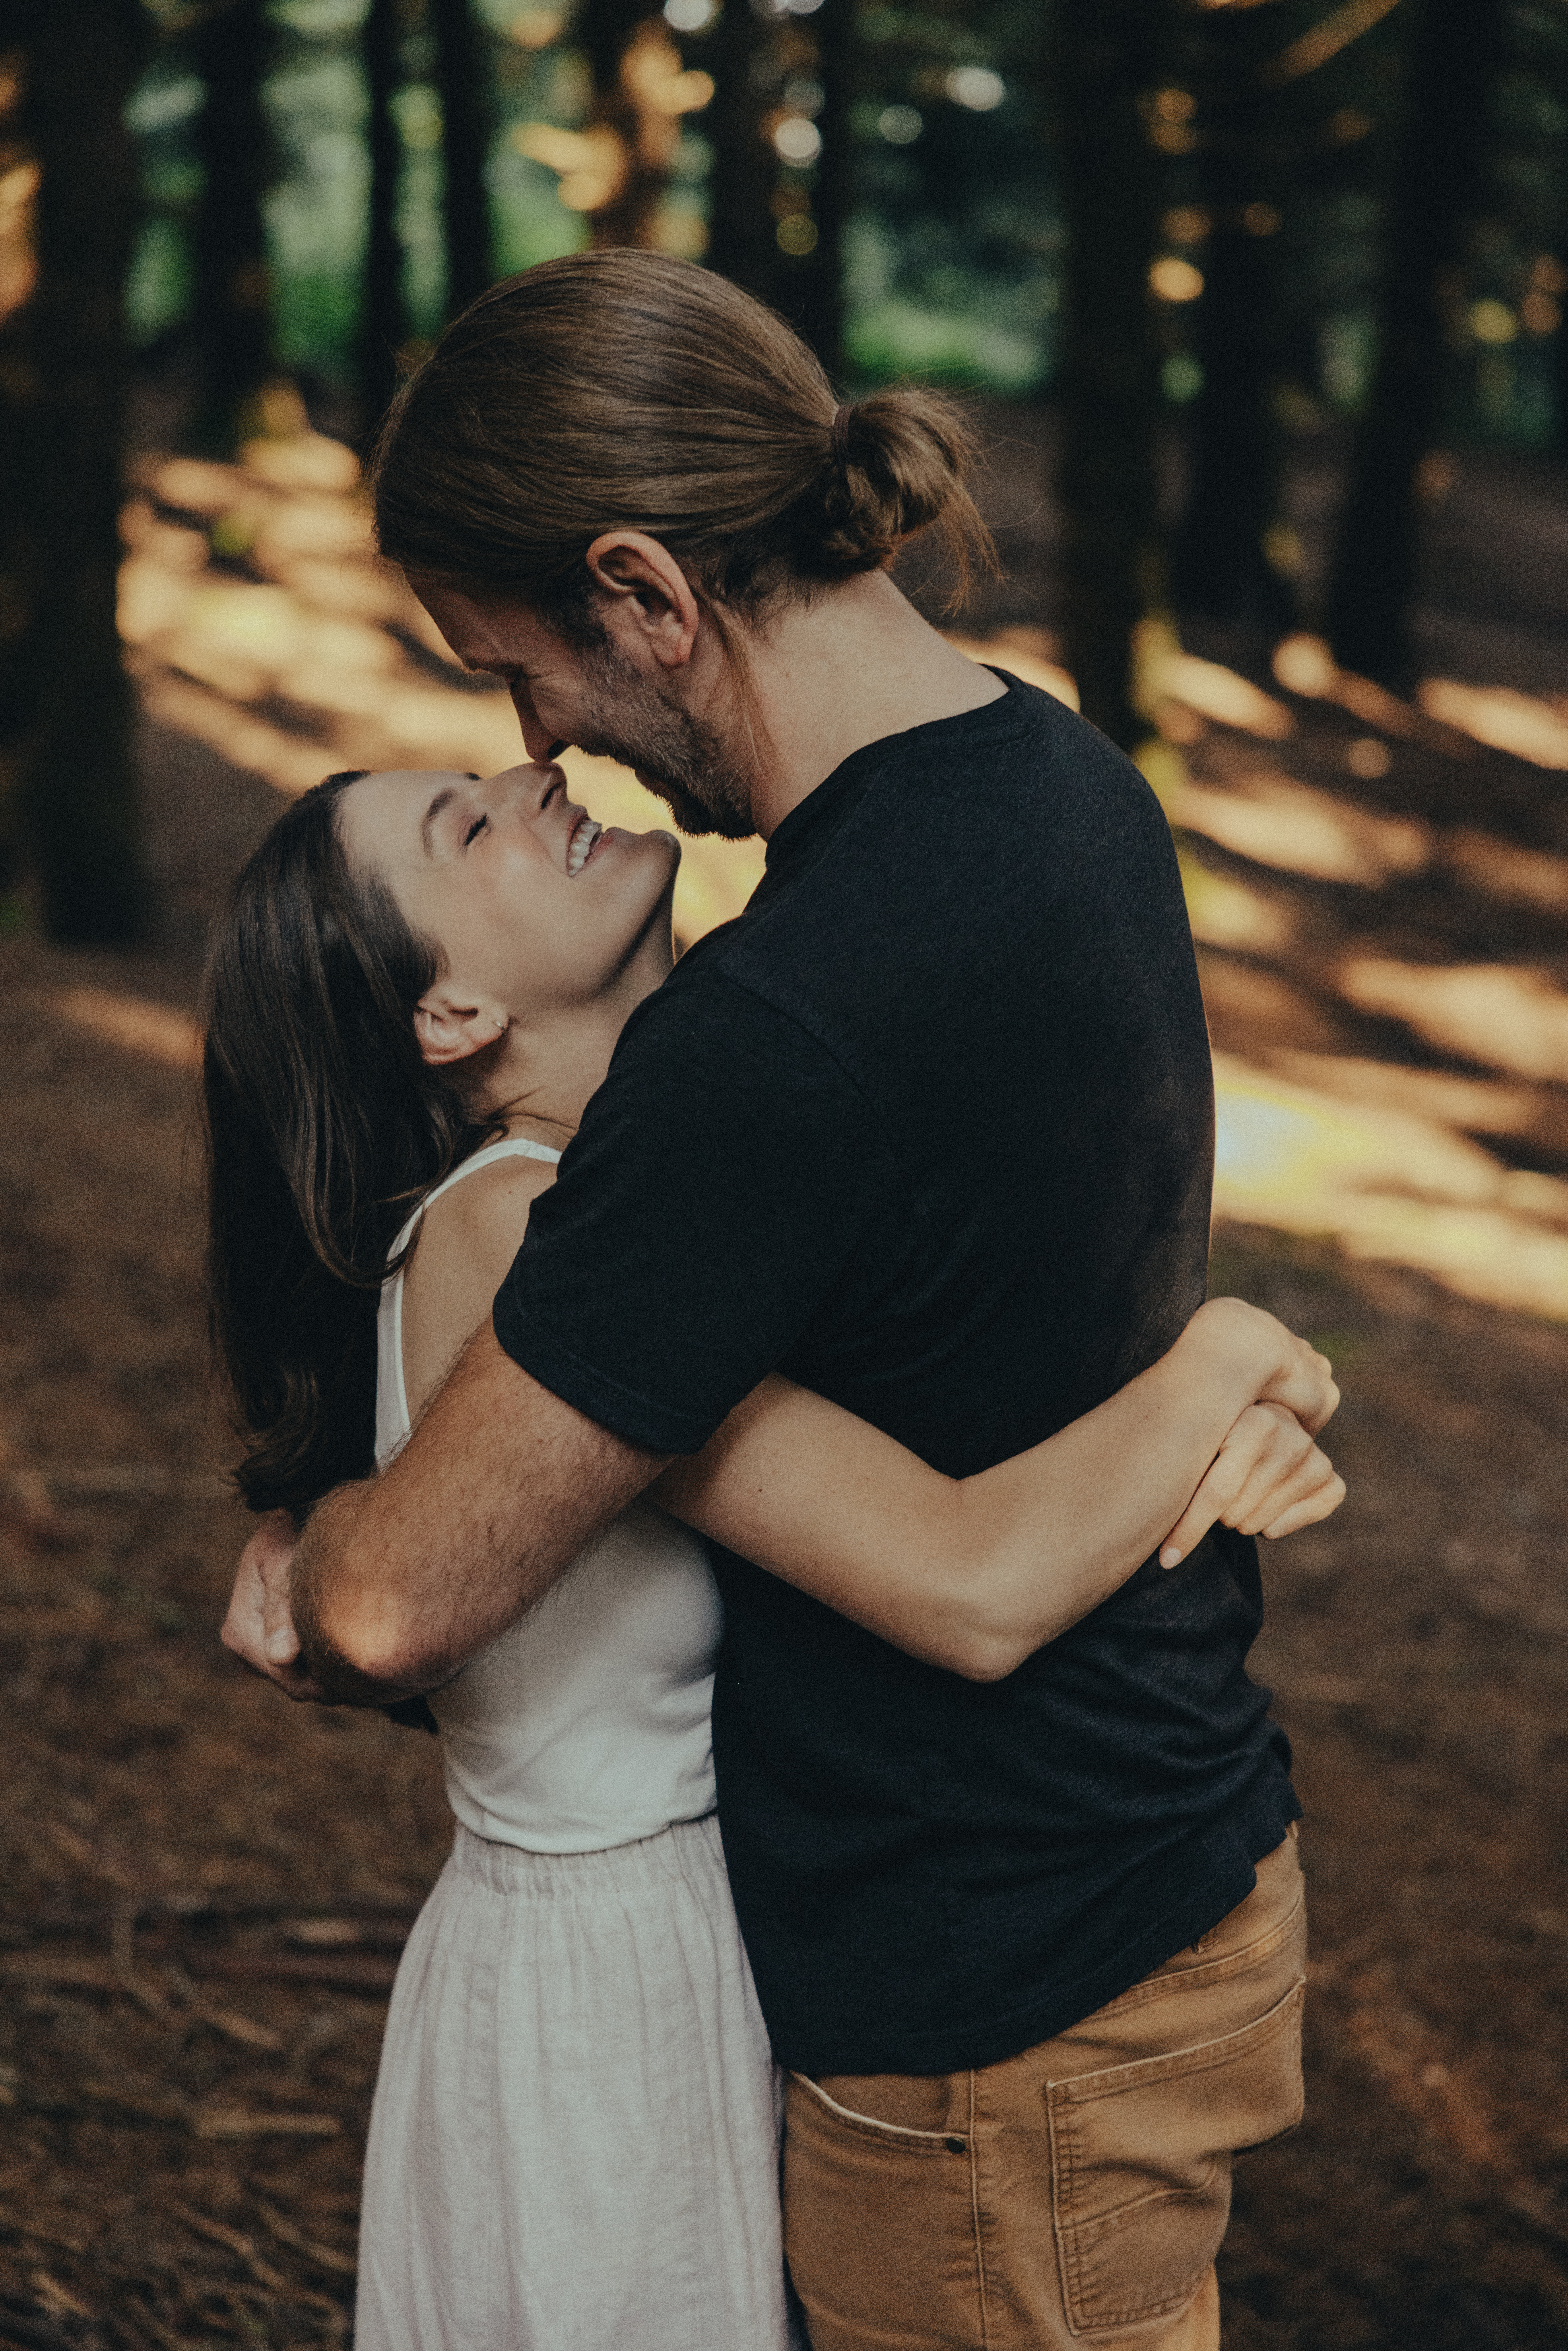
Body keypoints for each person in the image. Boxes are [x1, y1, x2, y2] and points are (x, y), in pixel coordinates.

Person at [222, 251, 1332, 2349]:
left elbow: (390, 1603)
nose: (536, 735)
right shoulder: (1060, 782)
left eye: (514, 665)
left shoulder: (762, 1045)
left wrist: (305, 1543)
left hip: (992, 1990)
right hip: (1155, 1850)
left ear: (644, 592)